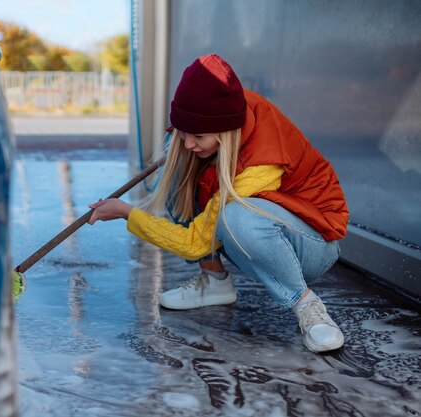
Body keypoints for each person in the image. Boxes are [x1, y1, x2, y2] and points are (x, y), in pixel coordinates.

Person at [87, 53, 349, 353]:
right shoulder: (227, 109)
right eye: (185, 131)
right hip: (266, 230)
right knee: (175, 155)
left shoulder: (261, 163)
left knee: (238, 218)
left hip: (311, 245)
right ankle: (214, 281)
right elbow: (187, 142)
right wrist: (186, 137)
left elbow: (193, 242)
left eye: (197, 135)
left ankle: (307, 306)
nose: (189, 142)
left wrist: (126, 213)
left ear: (226, 132)